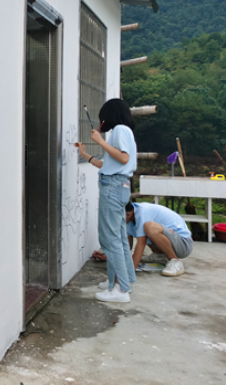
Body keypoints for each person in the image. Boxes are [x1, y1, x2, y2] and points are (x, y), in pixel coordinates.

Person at [75, 99, 137, 303]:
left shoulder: (119, 130)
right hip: (119, 186)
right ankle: (118, 281)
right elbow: (108, 165)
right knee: (117, 238)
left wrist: (100, 141)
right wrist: (85, 154)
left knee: (110, 239)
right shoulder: (124, 131)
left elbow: (123, 158)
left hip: (113, 187)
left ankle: (121, 290)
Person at [126, 202, 193, 277]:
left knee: (149, 227)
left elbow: (141, 243)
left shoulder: (142, 213)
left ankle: (175, 261)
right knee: (142, 230)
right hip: (172, 241)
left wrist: (129, 271)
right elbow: (127, 246)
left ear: (127, 214)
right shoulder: (129, 217)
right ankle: (159, 255)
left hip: (184, 244)